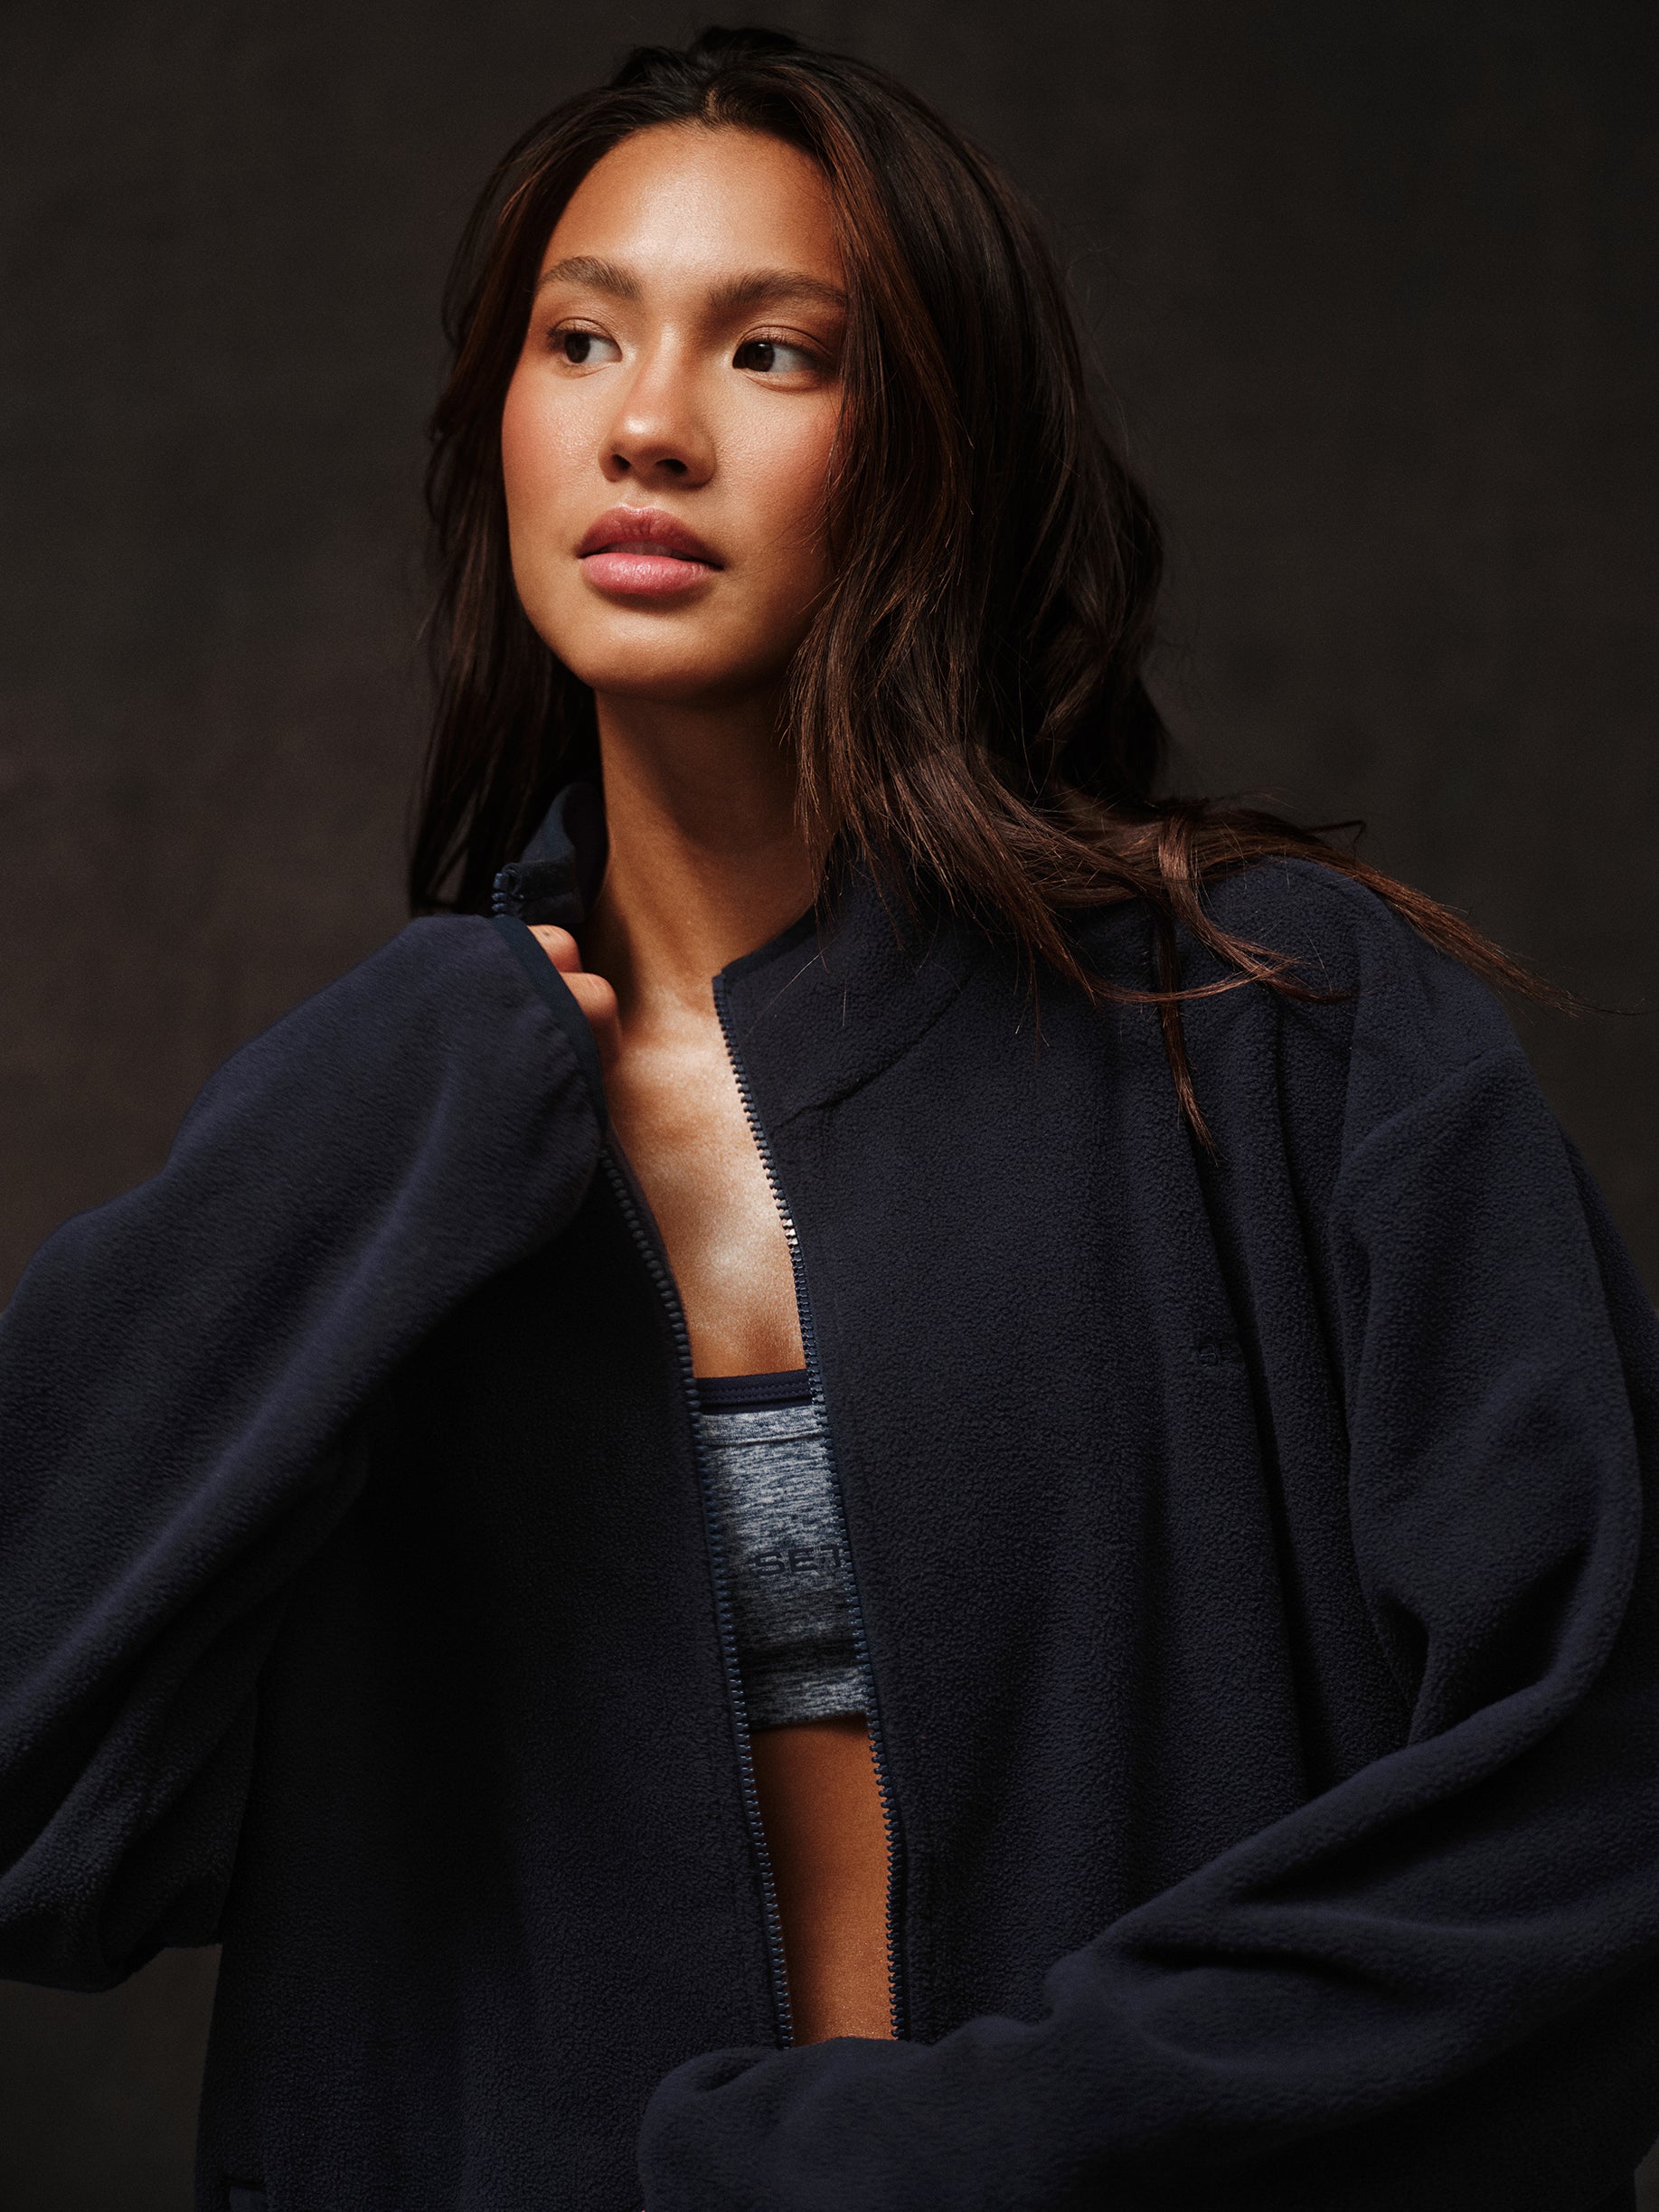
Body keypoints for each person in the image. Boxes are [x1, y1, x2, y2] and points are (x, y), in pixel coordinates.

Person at [1, 23, 1655, 2211]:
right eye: (578, 337)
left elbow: (1607, 1800)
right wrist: (375, 1102)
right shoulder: (391, 1140)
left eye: (775, 355)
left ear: (930, 448)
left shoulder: (1277, 1027)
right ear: (499, 420)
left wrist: (957, 2156)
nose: (650, 426)